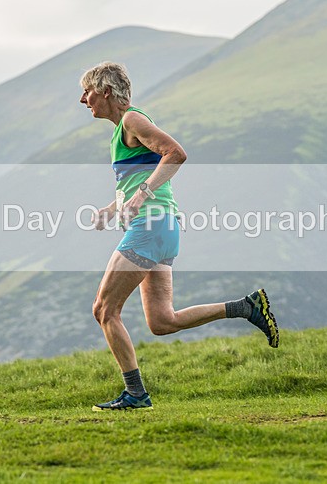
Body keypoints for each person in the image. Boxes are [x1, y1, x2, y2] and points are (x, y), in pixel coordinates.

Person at [79, 61, 279, 411]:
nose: (83, 99)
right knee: (161, 321)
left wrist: (142, 194)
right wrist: (113, 208)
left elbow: (176, 154)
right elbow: (137, 178)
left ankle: (136, 394)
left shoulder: (132, 120)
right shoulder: (120, 131)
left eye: (88, 91)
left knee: (104, 309)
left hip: (151, 226)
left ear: (106, 91)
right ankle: (245, 307)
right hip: (163, 228)